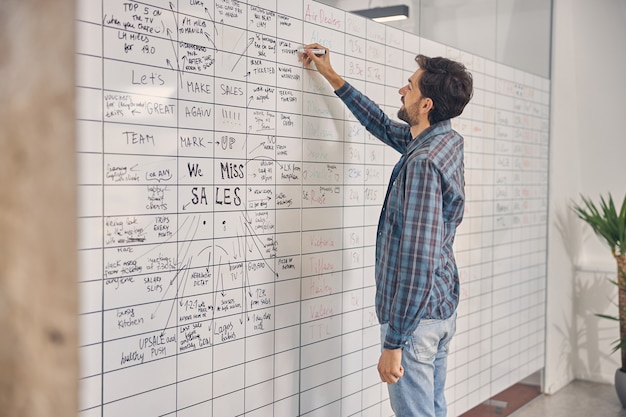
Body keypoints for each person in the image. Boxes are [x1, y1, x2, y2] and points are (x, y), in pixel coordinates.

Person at [300, 44, 473, 417]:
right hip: (439, 308)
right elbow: (379, 122)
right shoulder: (443, 140)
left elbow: (417, 258)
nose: (401, 91)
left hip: (416, 320)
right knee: (434, 409)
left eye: (409, 87)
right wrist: (331, 75)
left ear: (426, 104)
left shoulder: (424, 163)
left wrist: (395, 342)